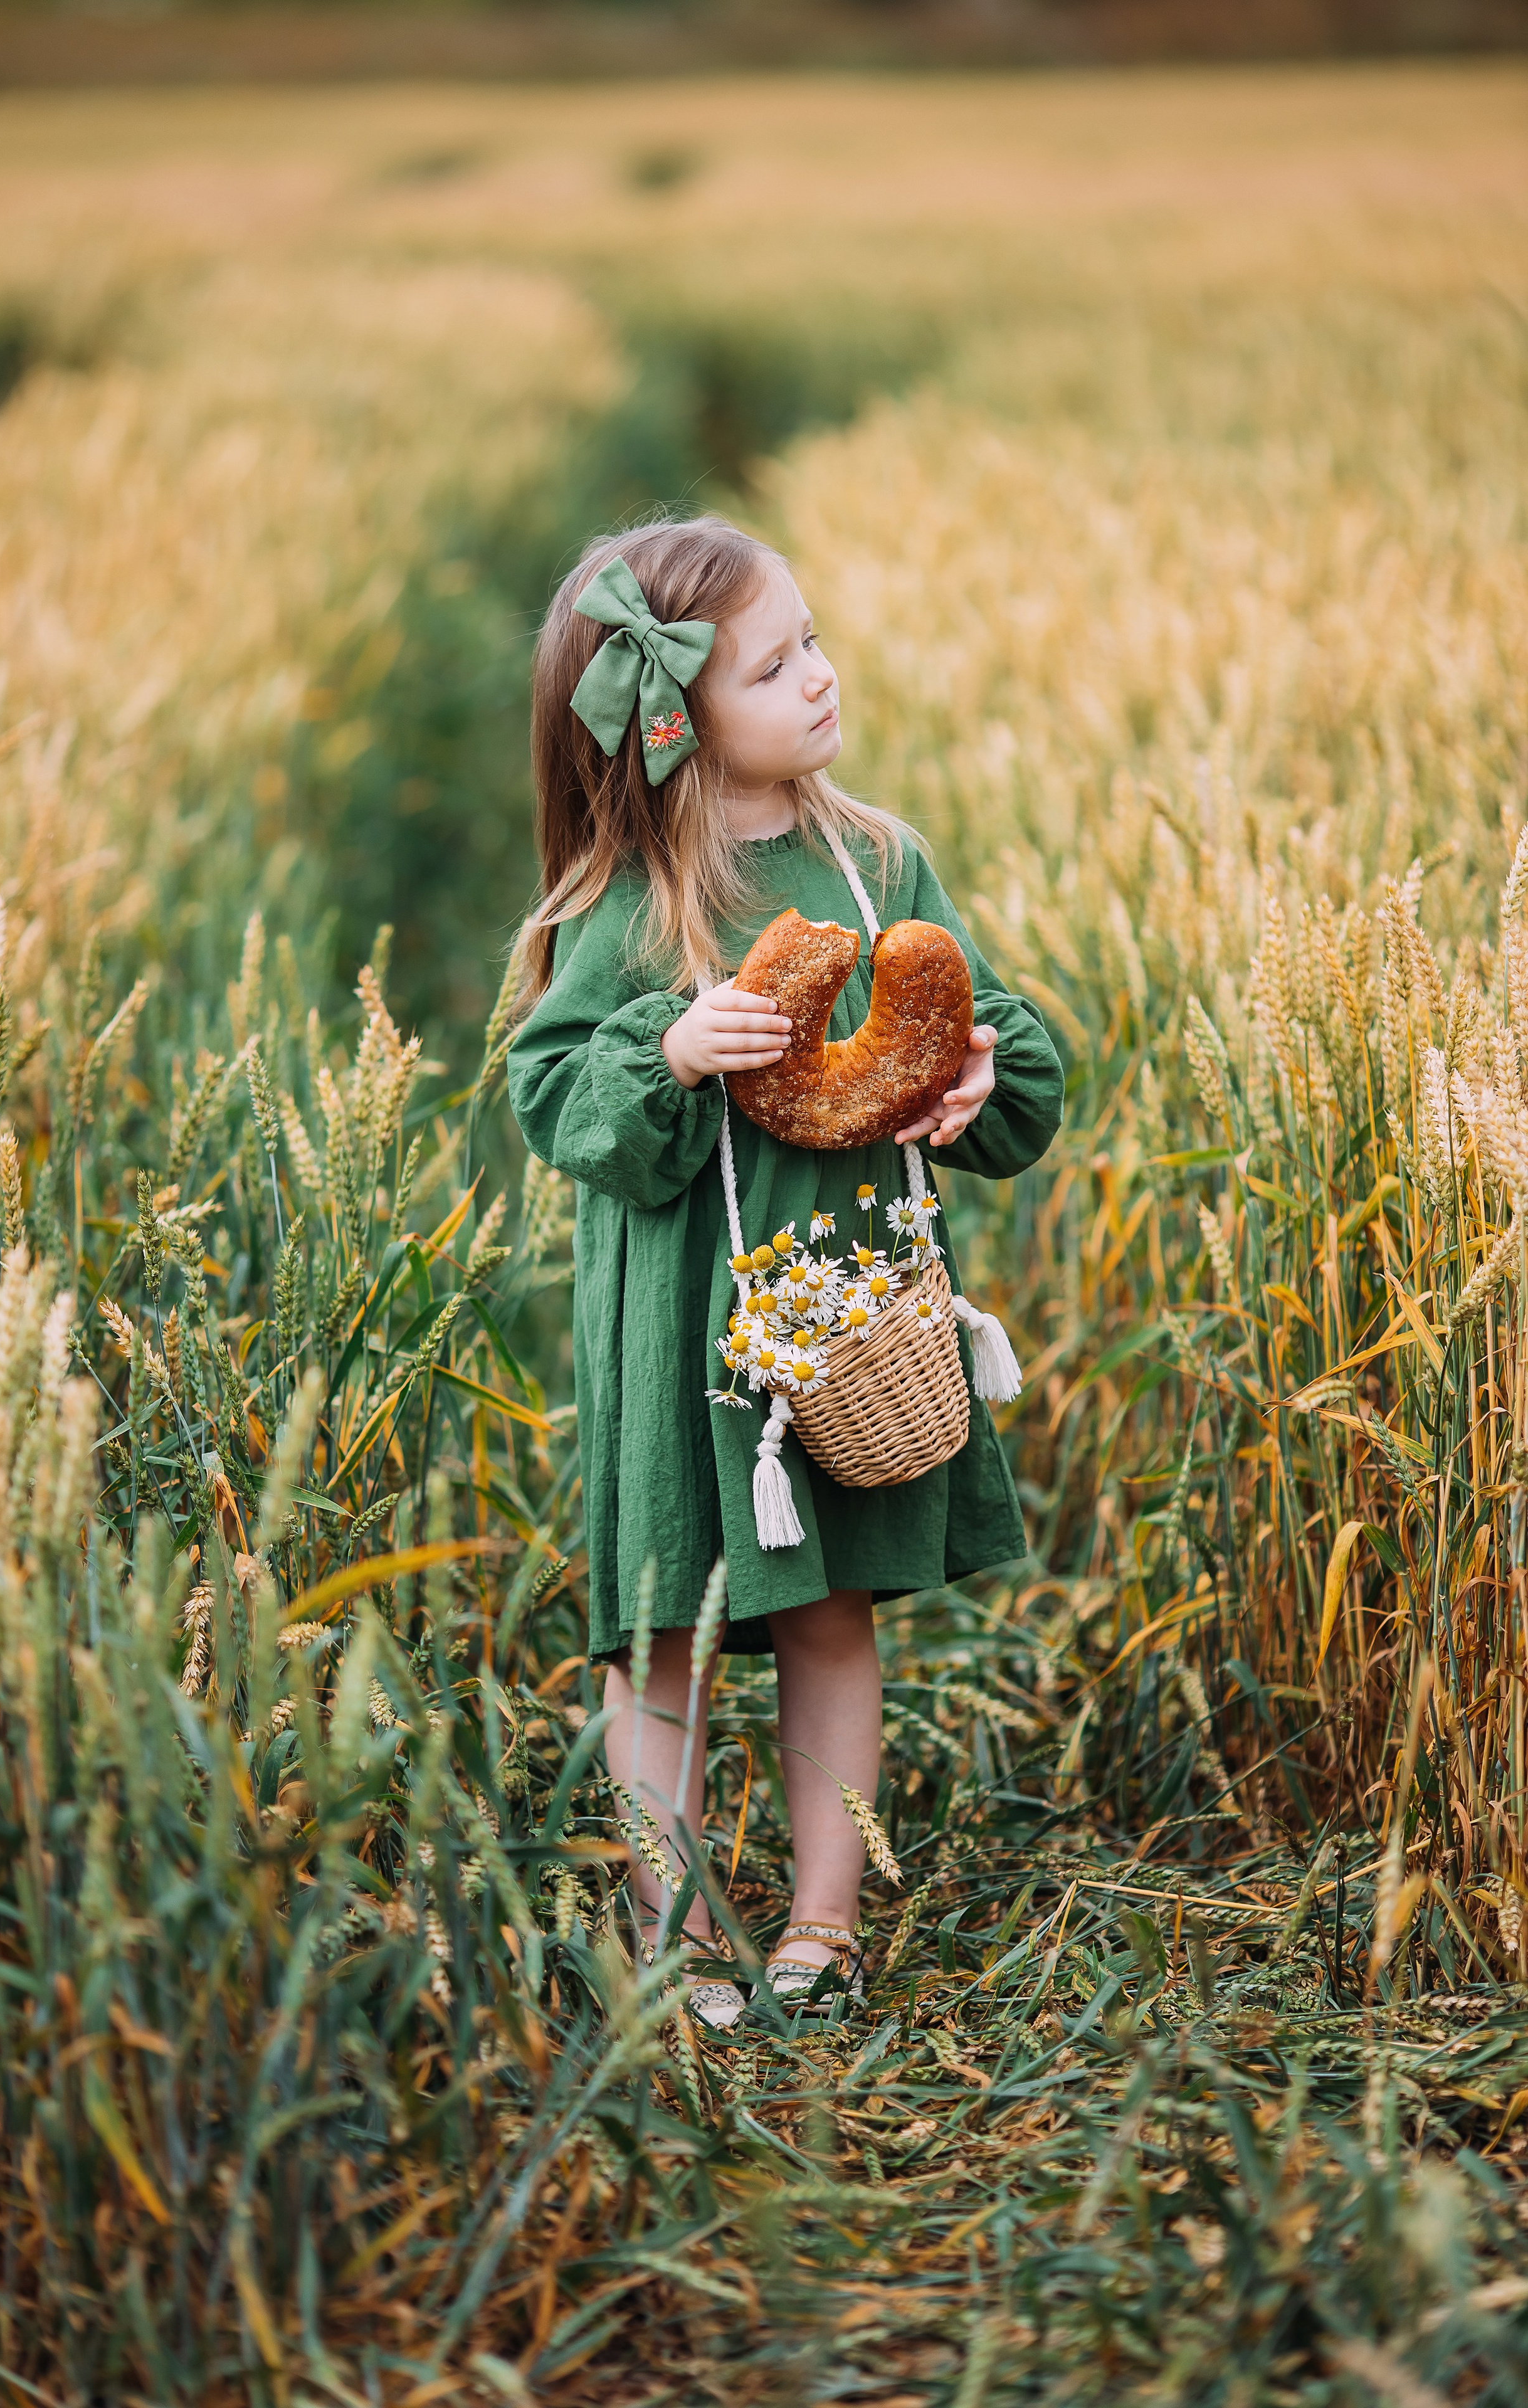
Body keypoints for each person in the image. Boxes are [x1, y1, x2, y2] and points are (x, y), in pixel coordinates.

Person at [507, 514, 1063, 2025]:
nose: (818, 676)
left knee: (830, 1613)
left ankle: (824, 1919)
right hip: (681, 1329)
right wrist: (672, 1050)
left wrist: (971, 1078)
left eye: (811, 641)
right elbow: (553, 1098)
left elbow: (986, 1031)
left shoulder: (879, 865)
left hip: (845, 1316)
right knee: (661, 1637)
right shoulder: (627, 901)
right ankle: (679, 1931)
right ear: (675, 720)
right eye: (772, 666)